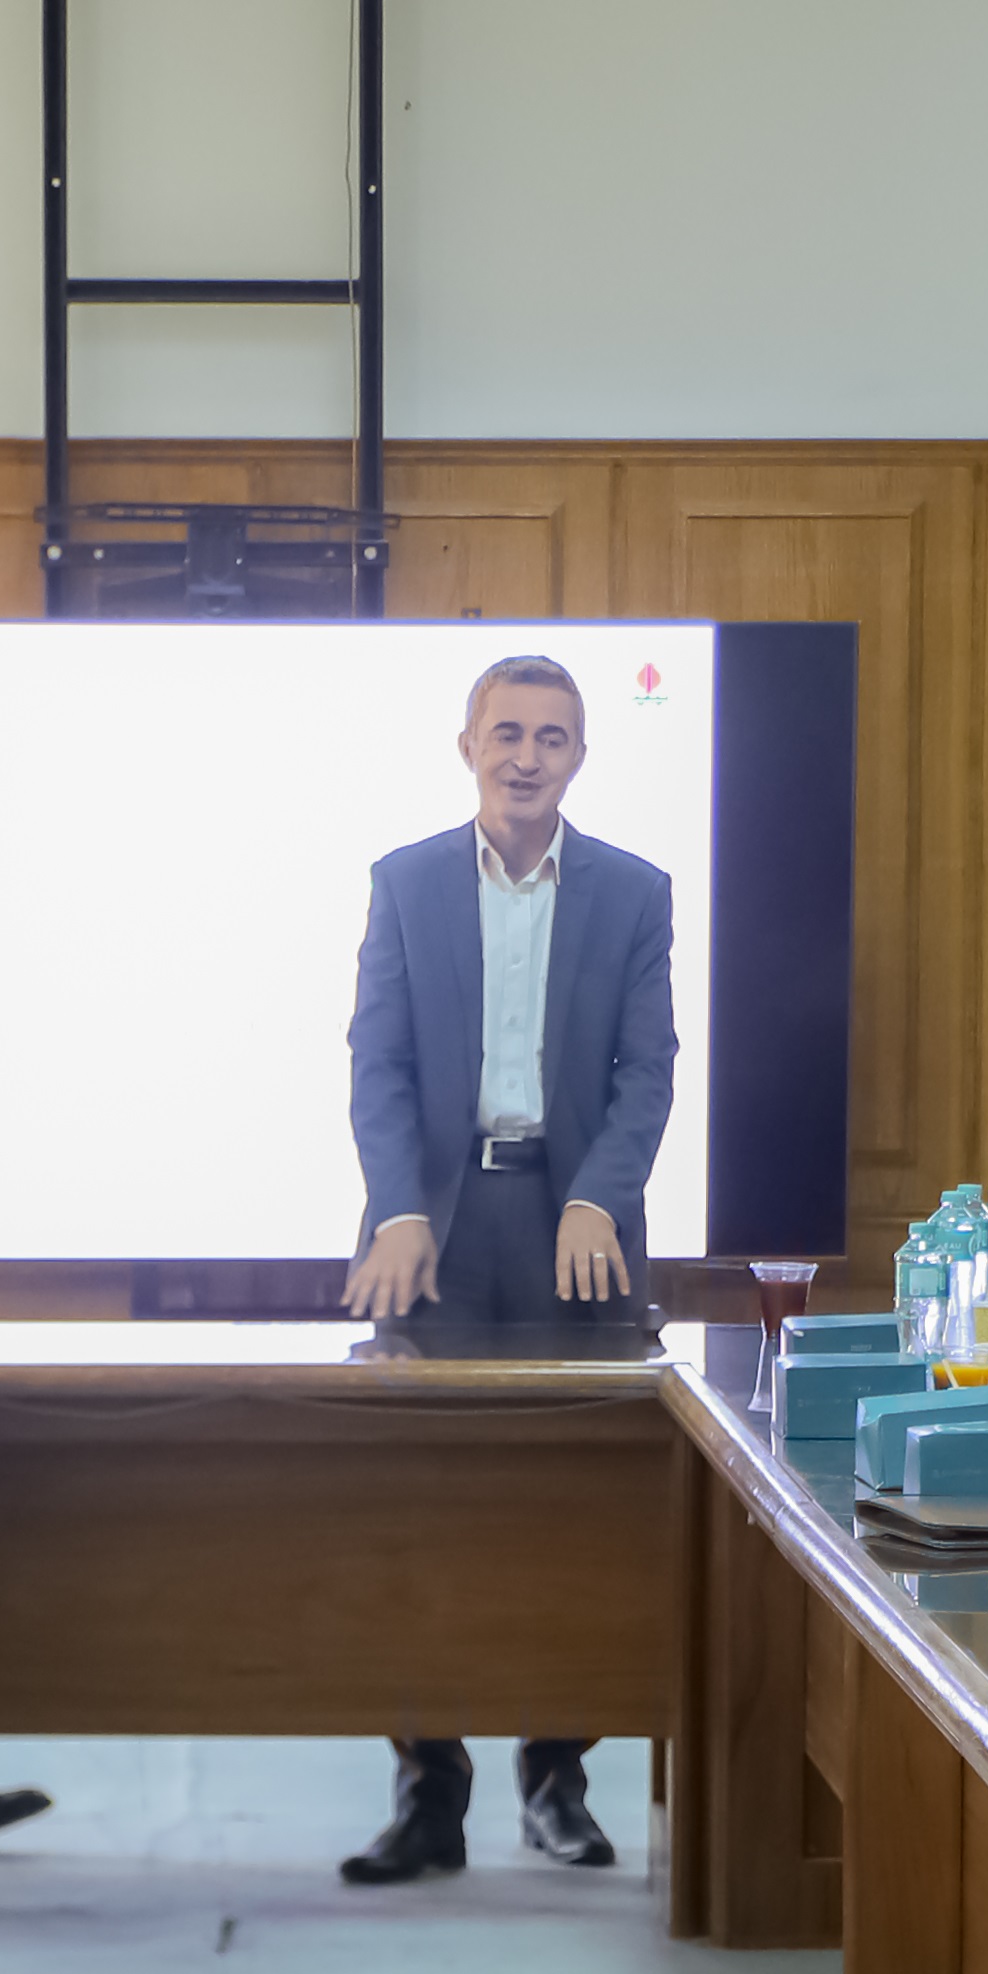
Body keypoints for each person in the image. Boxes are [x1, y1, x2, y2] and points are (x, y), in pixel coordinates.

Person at [338, 651, 681, 1883]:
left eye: (551, 736)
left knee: (571, 1508)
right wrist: (394, 1209)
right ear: (468, 744)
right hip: (432, 1228)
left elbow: (647, 1073)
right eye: (507, 733)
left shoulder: (634, 893)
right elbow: (377, 1064)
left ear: (579, 755)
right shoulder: (407, 882)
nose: (527, 755)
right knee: (414, 1509)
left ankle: (557, 1777)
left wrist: (596, 1194)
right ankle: (430, 1790)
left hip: (569, 1224)